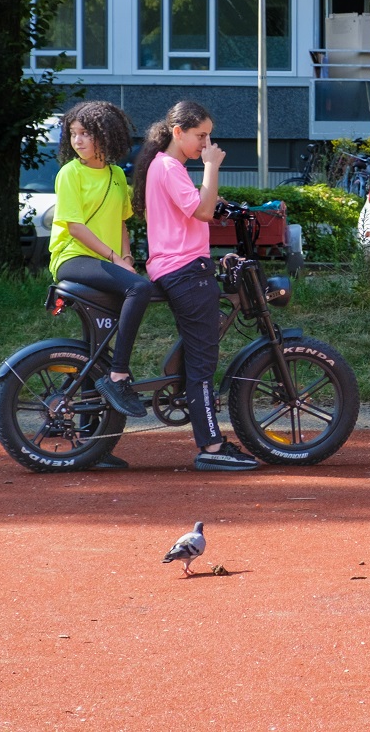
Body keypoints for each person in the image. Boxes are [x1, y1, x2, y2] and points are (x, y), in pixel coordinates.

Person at [132, 101, 260, 472]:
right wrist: (212, 167)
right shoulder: (171, 168)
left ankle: (210, 438)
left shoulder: (165, 166)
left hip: (178, 268)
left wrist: (211, 194)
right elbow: (203, 212)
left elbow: (199, 208)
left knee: (198, 357)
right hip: (186, 272)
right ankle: (211, 445)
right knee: (202, 363)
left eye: (208, 136)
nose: (207, 142)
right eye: (200, 135)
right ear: (177, 132)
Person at [49, 101, 152, 459]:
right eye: (73, 134)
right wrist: (114, 260)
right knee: (140, 288)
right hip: (73, 259)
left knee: (97, 351)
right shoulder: (70, 174)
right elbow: (74, 227)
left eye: (85, 134)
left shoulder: (115, 176)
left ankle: (95, 444)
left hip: (106, 261)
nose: (77, 141)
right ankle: (119, 376)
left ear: (105, 136)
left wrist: (125, 257)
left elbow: (121, 223)